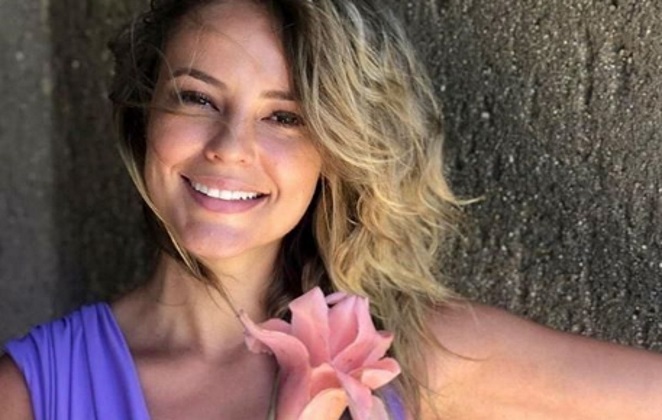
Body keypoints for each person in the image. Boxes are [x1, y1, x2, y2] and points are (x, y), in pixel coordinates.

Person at [2, 0, 662, 418]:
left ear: (335, 154)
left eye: (285, 117)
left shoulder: (417, 360)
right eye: (197, 98)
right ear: (146, 114)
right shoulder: (32, 394)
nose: (231, 148)